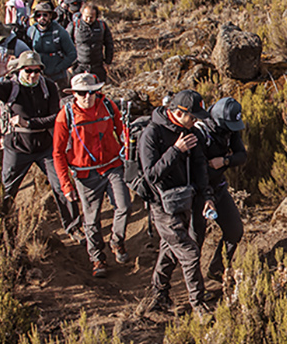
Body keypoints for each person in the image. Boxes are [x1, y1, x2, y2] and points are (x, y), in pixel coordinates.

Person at [0, 50, 81, 234]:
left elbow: (55, 118)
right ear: (20, 70)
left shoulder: (48, 86)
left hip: (45, 146)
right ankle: (4, 231)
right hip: (17, 148)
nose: (33, 75)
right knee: (7, 190)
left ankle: (74, 227)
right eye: (28, 70)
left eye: (37, 70)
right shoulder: (10, 87)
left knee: (61, 185)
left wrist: (29, 123)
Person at [139, 91, 214, 316]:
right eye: (193, 116)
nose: (196, 121)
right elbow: (151, 175)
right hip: (162, 206)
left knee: (169, 250)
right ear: (179, 113)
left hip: (185, 201)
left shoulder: (190, 131)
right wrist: (176, 151)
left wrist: (207, 196)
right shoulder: (152, 134)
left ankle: (158, 295)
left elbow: (200, 166)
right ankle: (198, 305)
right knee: (189, 252)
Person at [54, 72, 133, 278]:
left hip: (112, 166)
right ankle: (97, 258)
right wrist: (66, 184)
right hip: (85, 174)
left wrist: (128, 153)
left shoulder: (108, 106)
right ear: (74, 94)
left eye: (92, 92)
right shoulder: (65, 116)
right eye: (82, 93)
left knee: (124, 206)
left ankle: (117, 241)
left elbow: (122, 132)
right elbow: (58, 153)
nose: (88, 97)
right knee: (91, 219)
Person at [195, 96, 248, 285]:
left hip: (218, 187)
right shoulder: (199, 133)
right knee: (195, 240)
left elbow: (242, 155)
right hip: (198, 193)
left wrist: (224, 161)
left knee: (234, 230)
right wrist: (206, 194)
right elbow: (198, 170)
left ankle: (217, 269)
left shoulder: (230, 129)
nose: (233, 130)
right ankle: (194, 288)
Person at [26, 1, 77, 84]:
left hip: (58, 78)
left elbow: (72, 54)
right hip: (38, 77)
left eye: (45, 15)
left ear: (50, 16)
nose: (42, 18)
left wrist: (59, 68)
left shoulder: (60, 32)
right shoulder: (31, 31)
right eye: (38, 15)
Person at [74, 3, 115, 80]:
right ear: (82, 14)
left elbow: (109, 44)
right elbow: (66, 45)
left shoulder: (102, 26)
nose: (88, 19)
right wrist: (70, 65)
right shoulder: (75, 26)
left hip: (97, 66)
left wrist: (107, 62)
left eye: (91, 17)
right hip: (79, 66)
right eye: (86, 17)